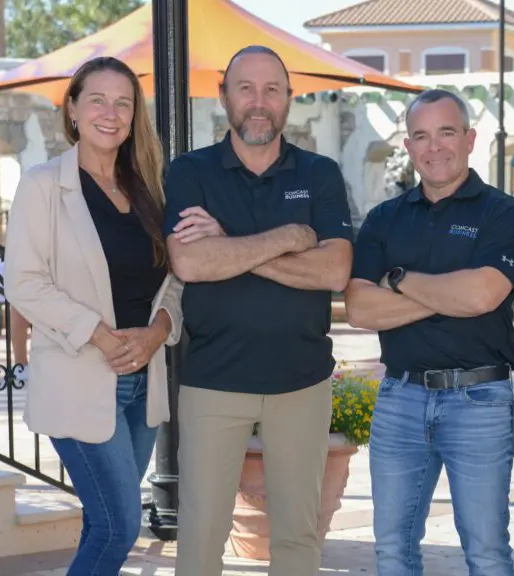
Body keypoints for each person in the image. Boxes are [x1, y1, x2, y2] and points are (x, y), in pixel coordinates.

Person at [162, 45, 354, 576]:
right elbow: (189, 262)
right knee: (201, 535)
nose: (258, 101)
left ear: (289, 98)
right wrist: (291, 237)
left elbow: (335, 271)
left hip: (302, 382)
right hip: (213, 381)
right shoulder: (191, 172)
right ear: (224, 95)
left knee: (298, 536)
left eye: (272, 89)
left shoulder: (319, 173)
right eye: (245, 88)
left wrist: (228, 243)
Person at [3, 56, 184, 575]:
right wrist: (100, 336)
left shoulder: (150, 187)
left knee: (102, 521)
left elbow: (177, 276)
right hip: (79, 377)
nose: (111, 113)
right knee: (119, 526)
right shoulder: (42, 185)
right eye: (98, 100)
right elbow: (24, 282)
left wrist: (158, 331)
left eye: (123, 103)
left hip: (141, 382)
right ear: (73, 109)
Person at [344, 88, 514, 576]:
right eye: (421, 136)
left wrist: (399, 280)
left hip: (478, 401)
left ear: (469, 139)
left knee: (487, 553)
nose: (435, 147)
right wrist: (448, 295)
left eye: (446, 133)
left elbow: (482, 296)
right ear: (408, 146)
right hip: (399, 399)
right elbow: (359, 308)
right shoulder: (384, 219)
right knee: (392, 550)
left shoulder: (502, 212)